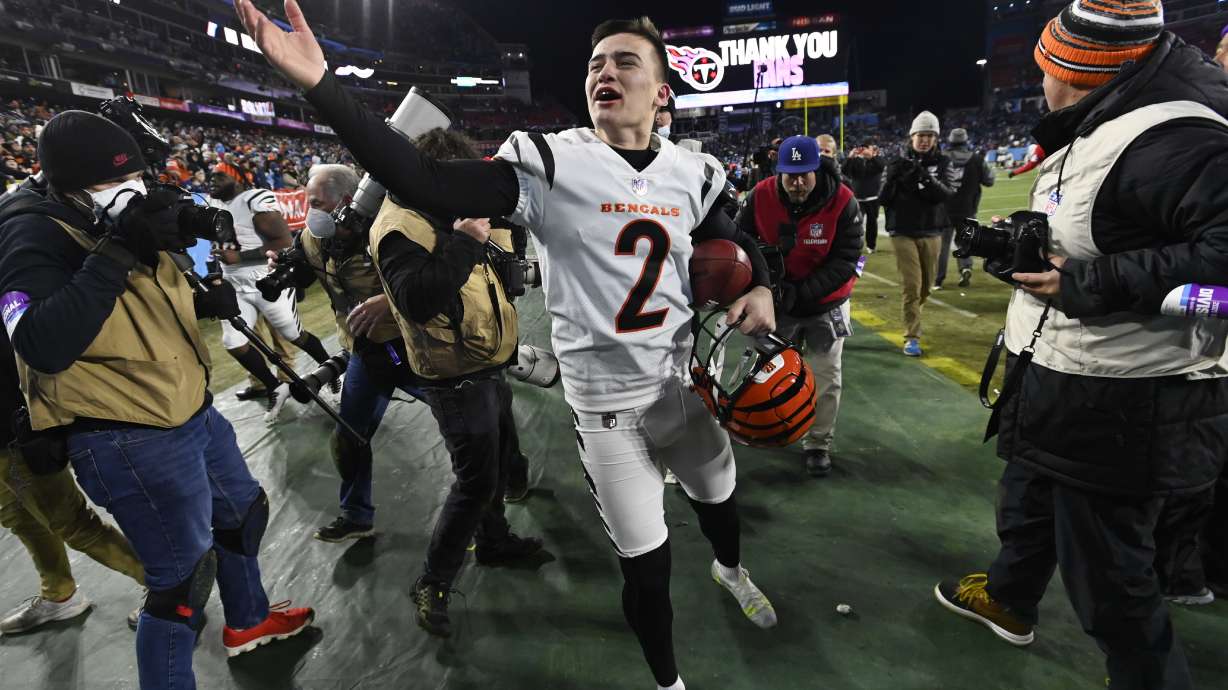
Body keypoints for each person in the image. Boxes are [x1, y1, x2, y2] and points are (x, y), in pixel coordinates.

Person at [237, 4, 779, 688]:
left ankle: (730, 570)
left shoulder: (691, 172)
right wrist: (322, 85)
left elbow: (731, 234)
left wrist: (758, 285)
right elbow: (422, 181)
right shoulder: (550, 161)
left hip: (678, 386)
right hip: (605, 409)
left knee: (720, 504)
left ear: (662, 90)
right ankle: (670, 685)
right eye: (595, 64)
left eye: (625, 62)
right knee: (647, 563)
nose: (605, 72)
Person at [931, 3, 1228, 688]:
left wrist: (1092, 282)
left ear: (1083, 71)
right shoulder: (1120, 122)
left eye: (1046, 69)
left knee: (1111, 576)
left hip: (1128, 390)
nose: (1039, 84)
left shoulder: (1179, 136)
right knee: (1028, 502)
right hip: (1069, 371)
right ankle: (1009, 599)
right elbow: (1119, 227)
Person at [0, 110, 314, 688]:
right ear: (67, 184)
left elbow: (137, 307)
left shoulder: (114, 208)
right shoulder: (28, 228)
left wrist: (204, 295)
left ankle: (248, 622)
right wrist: (117, 248)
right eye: (111, 181)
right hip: (123, 430)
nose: (131, 190)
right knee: (180, 583)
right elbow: (41, 342)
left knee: (243, 514)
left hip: (187, 406)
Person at [737, 135, 863, 477]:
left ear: (817, 169)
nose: (796, 182)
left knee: (826, 376)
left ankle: (818, 443)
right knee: (766, 372)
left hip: (825, 303)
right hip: (775, 302)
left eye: (804, 174)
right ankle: (769, 426)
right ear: (778, 171)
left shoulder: (843, 201)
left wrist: (799, 293)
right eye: (789, 174)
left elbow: (846, 260)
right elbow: (739, 243)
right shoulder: (759, 196)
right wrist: (766, 287)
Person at [206, 161, 332, 423]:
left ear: (238, 177)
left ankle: (334, 372)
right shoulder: (212, 203)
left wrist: (238, 257)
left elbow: (283, 242)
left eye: (219, 176)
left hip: (265, 279)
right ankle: (275, 386)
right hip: (234, 284)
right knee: (233, 342)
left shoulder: (255, 199)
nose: (212, 180)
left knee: (293, 334)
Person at [879, 111, 954, 357]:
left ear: (936, 138)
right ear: (912, 136)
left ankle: (913, 315)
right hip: (902, 231)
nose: (925, 140)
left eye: (930, 135)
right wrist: (892, 180)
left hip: (932, 230)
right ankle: (912, 336)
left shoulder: (944, 162)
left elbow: (946, 193)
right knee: (912, 286)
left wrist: (923, 177)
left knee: (926, 288)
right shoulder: (895, 161)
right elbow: (883, 198)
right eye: (921, 135)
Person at [938, 127, 995, 289]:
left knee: (942, 245)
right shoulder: (976, 159)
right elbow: (989, 181)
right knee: (965, 242)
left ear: (950, 141)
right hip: (968, 208)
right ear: (965, 141)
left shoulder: (942, 158)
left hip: (944, 209)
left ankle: (938, 280)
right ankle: (965, 268)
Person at [843, 142, 885, 253]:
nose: (864, 150)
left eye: (867, 147)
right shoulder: (856, 161)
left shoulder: (877, 160)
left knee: (872, 223)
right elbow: (845, 171)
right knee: (855, 225)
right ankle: (854, 245)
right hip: (857, 199)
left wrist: (871, 156)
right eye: (863, 148)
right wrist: (850, 157)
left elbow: (881, 167)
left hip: (873, 198)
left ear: (872, 149)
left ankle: (871, 245)